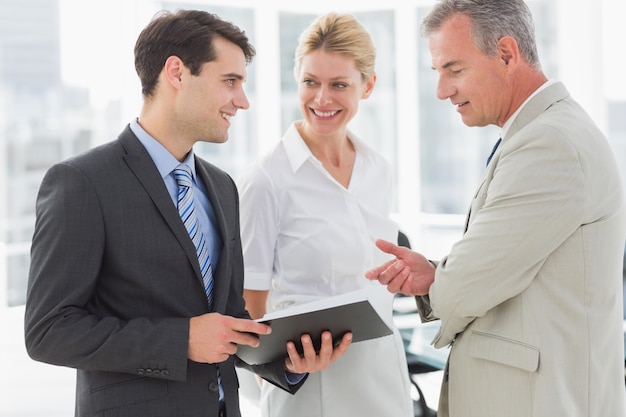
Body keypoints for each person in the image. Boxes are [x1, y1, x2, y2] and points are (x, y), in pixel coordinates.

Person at [23, 10, 352, 417]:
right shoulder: (82, 182)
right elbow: (48, 331)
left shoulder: (222, 186)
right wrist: (180, 340)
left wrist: (286, 361)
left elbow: (229, 319)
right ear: (176, 73)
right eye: (230, 81)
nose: (242, 101)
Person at [366, 1, 626, 416]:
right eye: (438, 73)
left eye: (454, 69)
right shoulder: (540, 134)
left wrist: (445, 282)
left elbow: (465, 288)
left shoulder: (550, 145)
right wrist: (438, 274)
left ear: (507, 54)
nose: (442, 90)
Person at [237, 12, 413, 417]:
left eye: (339, 85)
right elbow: (249, 311)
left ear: (368, 86)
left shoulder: (377, 169)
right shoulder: (266, 180)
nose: (321, 99)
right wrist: (283, 366)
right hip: (312, 389)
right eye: (310, 82)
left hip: (383, 377)